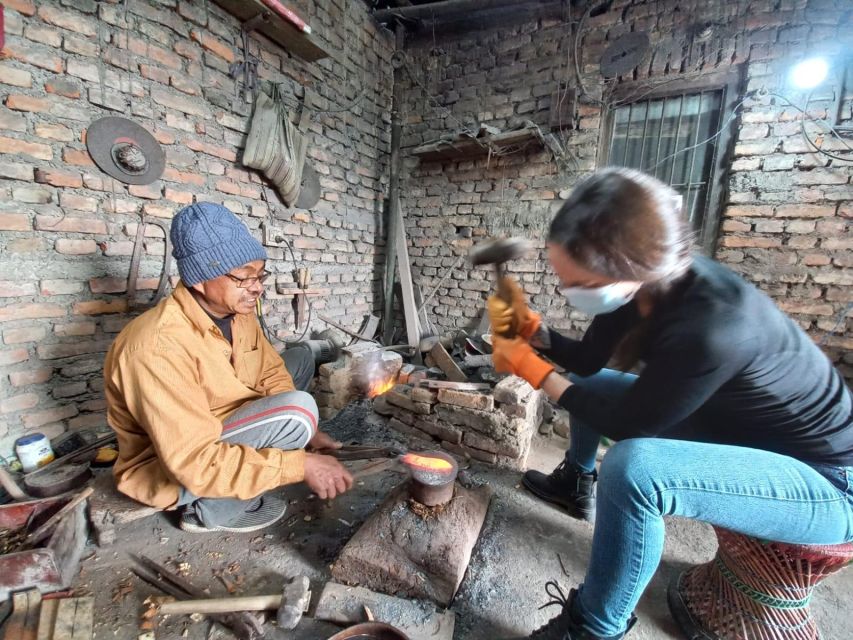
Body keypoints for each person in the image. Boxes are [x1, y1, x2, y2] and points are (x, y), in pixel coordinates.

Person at [487, 168, 853, 640]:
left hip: (823, 479)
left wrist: (535, 371)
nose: (565, 291)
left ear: (622, 265)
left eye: (573, 280)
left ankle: (595, 627)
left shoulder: (712, 324)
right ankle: (576, 483)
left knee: (632, 469)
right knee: (590, 381)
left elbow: (632, 423)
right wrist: (533, 332)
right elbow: (588, 360)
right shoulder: (637, 288)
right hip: (737, 431)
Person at [104, 202, 353, 534]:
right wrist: (297, 464)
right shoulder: (155, 346)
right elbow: (195, 461)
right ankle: (207, 513)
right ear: (199, 280)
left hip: (227, 417)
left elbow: (269, 371)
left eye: (260, 274)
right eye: (244, 277)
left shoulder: (238, 314)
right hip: (177, 464)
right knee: (298, 410)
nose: (257, 286)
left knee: (300, 359)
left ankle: (281, 438)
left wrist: (309, 436)